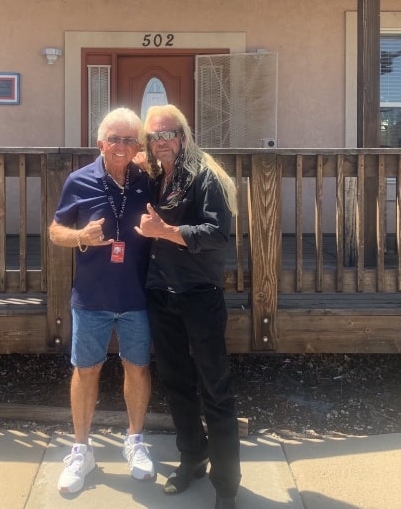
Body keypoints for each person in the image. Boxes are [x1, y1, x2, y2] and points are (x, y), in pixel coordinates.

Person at [135, 104, 241, 509]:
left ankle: (227, 486)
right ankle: (192, 457)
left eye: (168, 133)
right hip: (161, 294)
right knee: (177, 384)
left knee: (216, 388)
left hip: (199, 294)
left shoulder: (205, 176)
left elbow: (217, 233)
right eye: (154, 135)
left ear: (184, 134)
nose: (162, 141)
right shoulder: (158, 177)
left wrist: (166, 231)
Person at [49, 107, 155, 495]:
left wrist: (149, 157)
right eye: (115, 139)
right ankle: (81, 450)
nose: (122, 147)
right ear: (100, 143)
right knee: (86, 371)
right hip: (91, 297)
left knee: (138, 369)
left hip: (137, 296)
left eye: (131, 140)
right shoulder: (79, 181)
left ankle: (135, 440)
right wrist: (81, 237)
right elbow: (54, 231)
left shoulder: (148, 179)